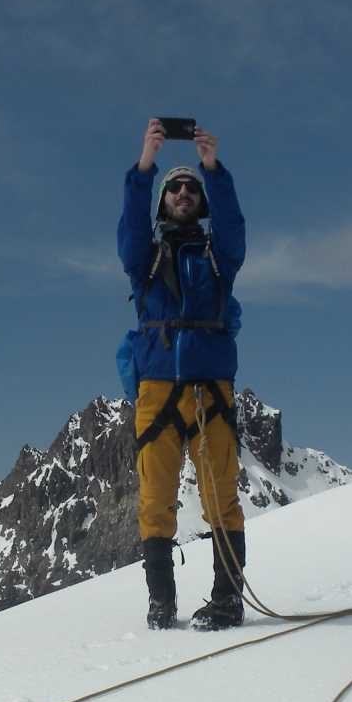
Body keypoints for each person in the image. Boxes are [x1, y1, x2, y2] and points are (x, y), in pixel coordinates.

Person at [117, 117, 247, 630]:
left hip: (208, 385)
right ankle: (161, 603)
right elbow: (129, 230)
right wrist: (144, 165)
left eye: (192, 188)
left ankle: (227, 599)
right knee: (155, 499)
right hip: (160, 388)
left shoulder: (220, 257)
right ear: (163, 200)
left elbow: (235, 227)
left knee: (223, 495)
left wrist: (214, 168)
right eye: (176, 188)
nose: (184, 193)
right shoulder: (144, 260)